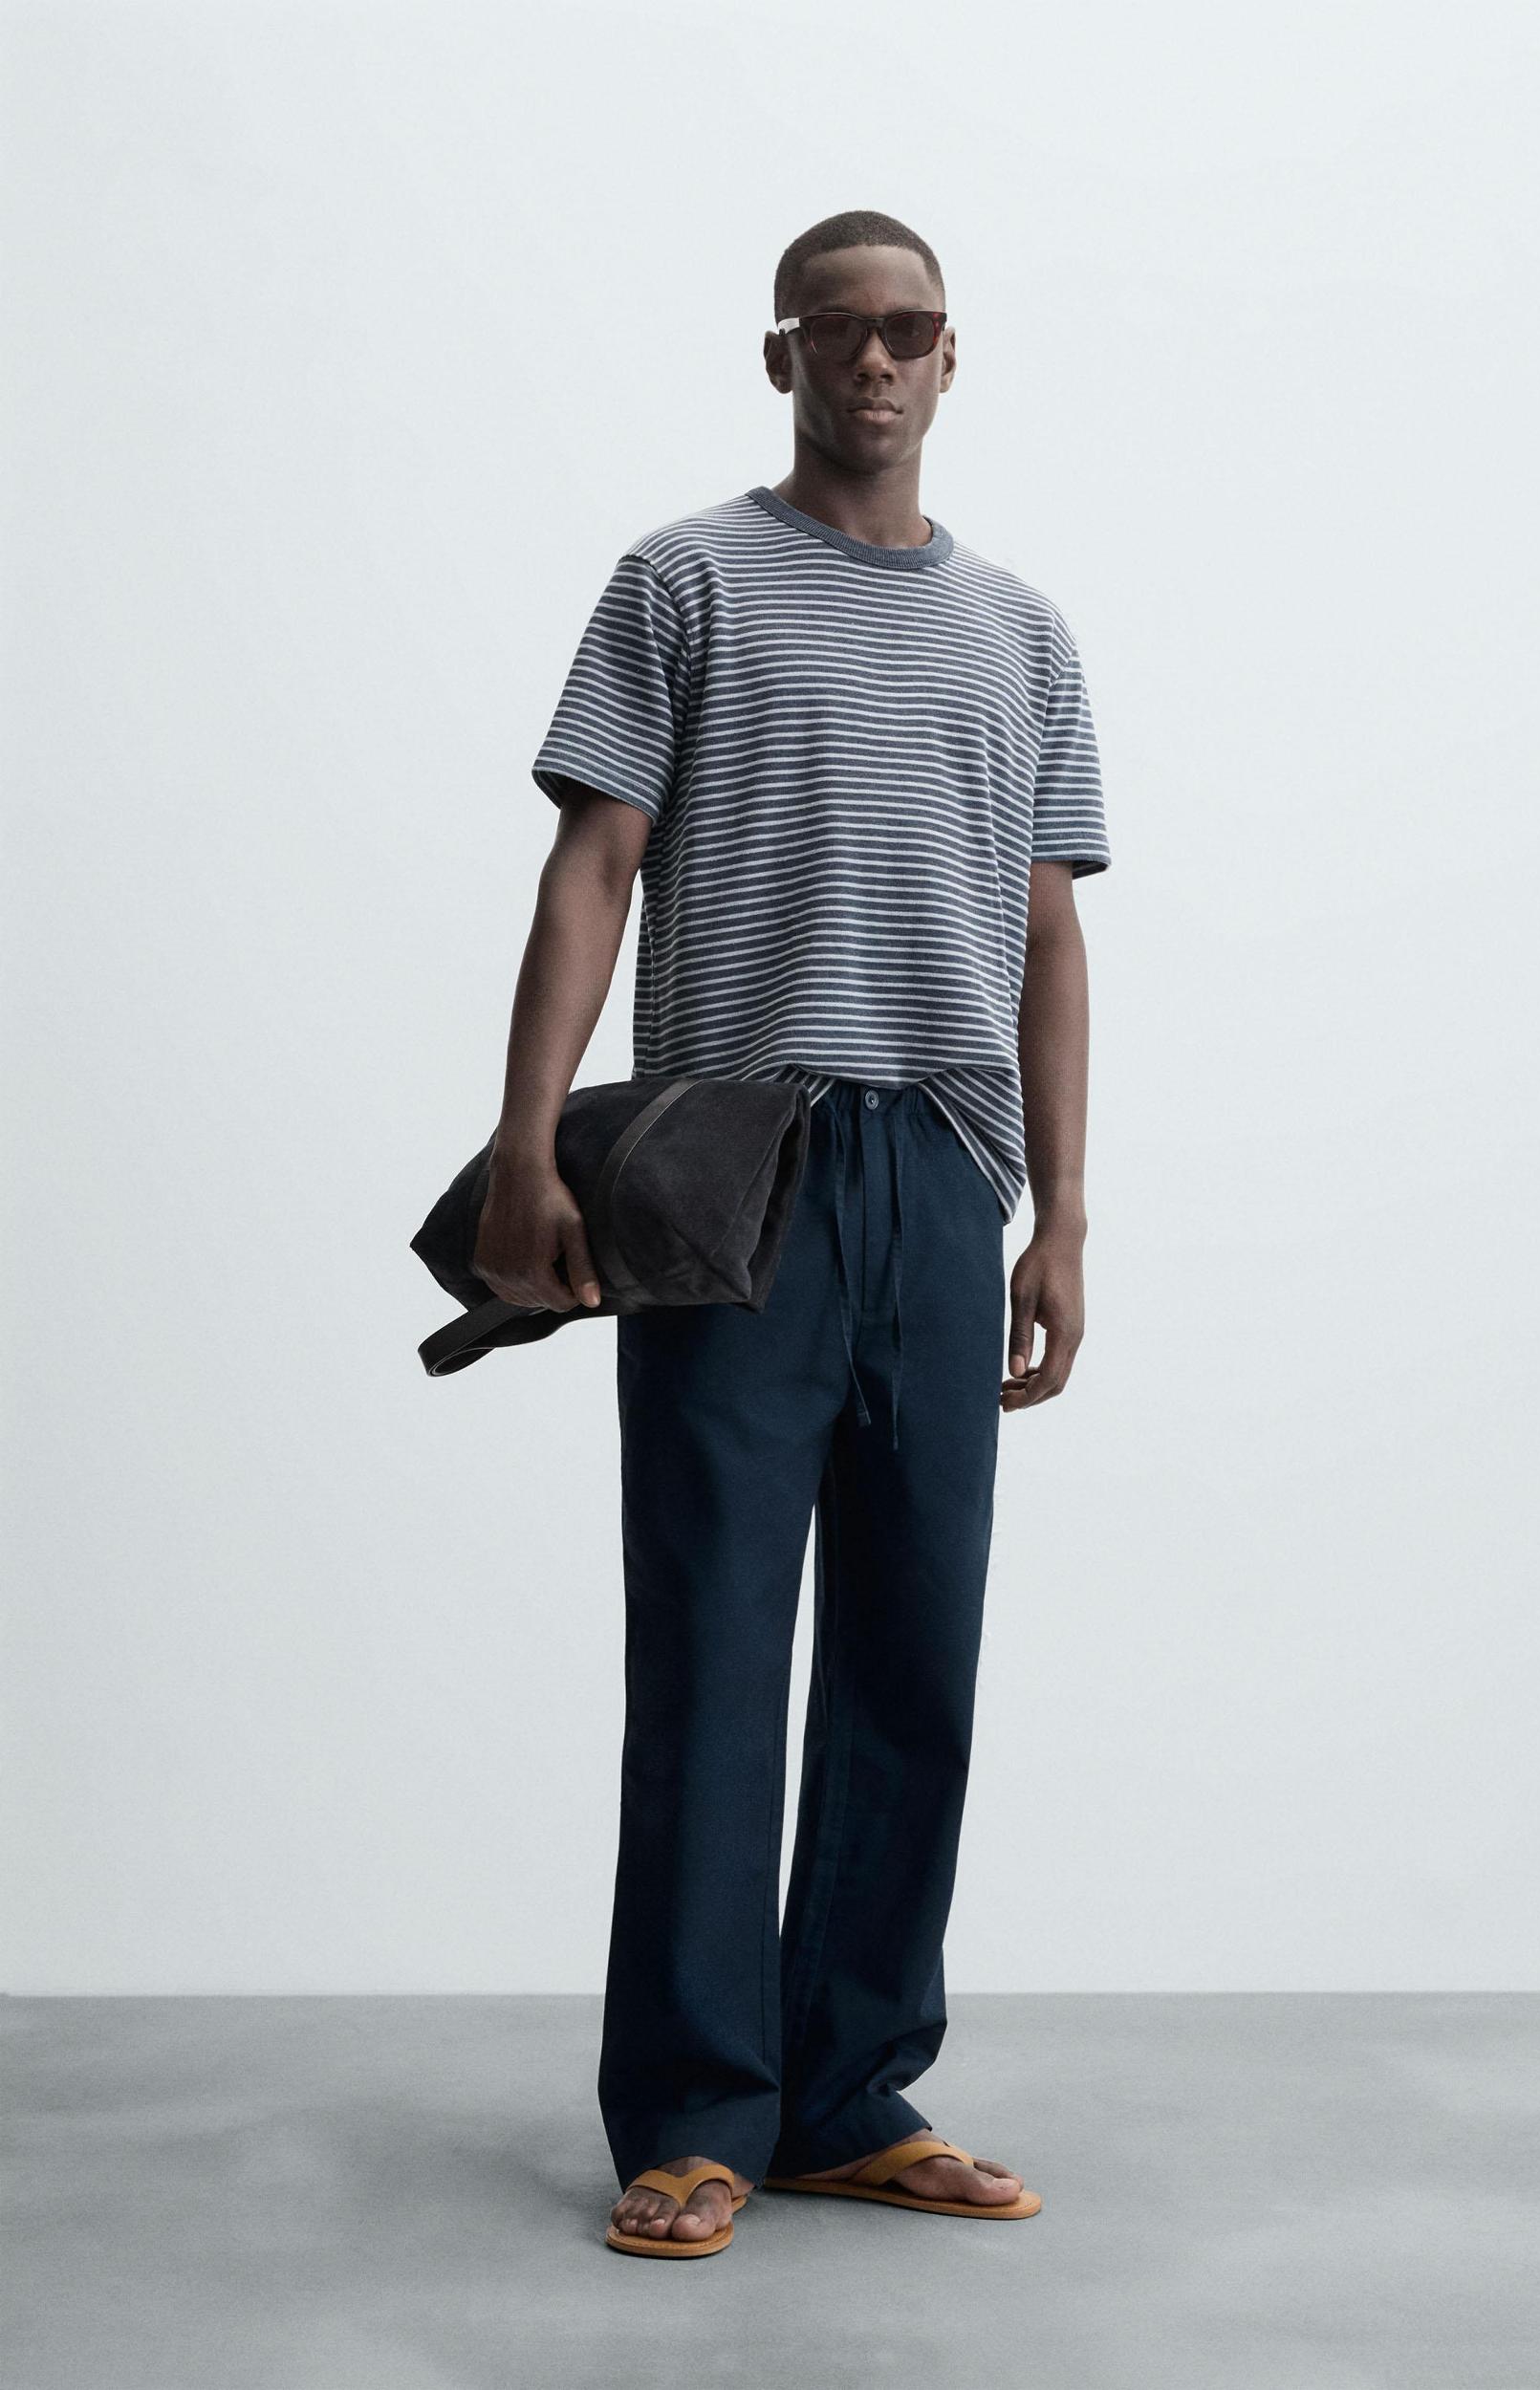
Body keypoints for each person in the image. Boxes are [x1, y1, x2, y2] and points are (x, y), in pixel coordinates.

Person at [473, 207, 1112, 2256]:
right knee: (715, 1636)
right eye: (837, 330)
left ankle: (846, 2090)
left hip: (943, 1167)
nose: (875, 360)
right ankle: (691, 2108)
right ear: (781, 357)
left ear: (952, 354)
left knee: (916, 1644)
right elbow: (595, 865)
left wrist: (1060, 1211)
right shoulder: (681, 580)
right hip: (730, 1164)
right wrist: (525, 1143)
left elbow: (1046, 932)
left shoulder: (1021, 633)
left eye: (909, 328)